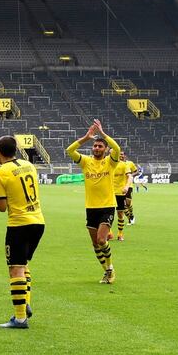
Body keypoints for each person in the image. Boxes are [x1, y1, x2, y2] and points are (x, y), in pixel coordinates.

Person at [0, 136, 44, 329]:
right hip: (38, 221)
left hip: (19, 223)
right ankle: (25, 301)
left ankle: (20, 319)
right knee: (24, 265)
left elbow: (2, 207)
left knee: (15, 269)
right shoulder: (29, 165)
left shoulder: (0, 172)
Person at [66, 119, 120, 284]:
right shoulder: (85, 162)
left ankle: (110, 268)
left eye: (100, 146)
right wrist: (86, 137)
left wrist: (102, 134)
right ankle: (106, 272)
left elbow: (117, 148)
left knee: (102, 240)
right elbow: (70, 150)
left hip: (107, 206)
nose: (96, 148)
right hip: (91, 207)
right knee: (96, 244)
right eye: (95, 146)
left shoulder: (110, 162)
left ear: (105, 149)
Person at [123, 154, 140, 225]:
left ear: (125, 156)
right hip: (119, 187)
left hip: (129, 185)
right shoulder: (116, 163)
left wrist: (130, 175)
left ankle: (131, 215)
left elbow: (137, 171)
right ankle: (130, 218)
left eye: (122, 155)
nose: (121, 156)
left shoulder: (130, 163)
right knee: (122, 205)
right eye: (119, 154)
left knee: (128, 204)